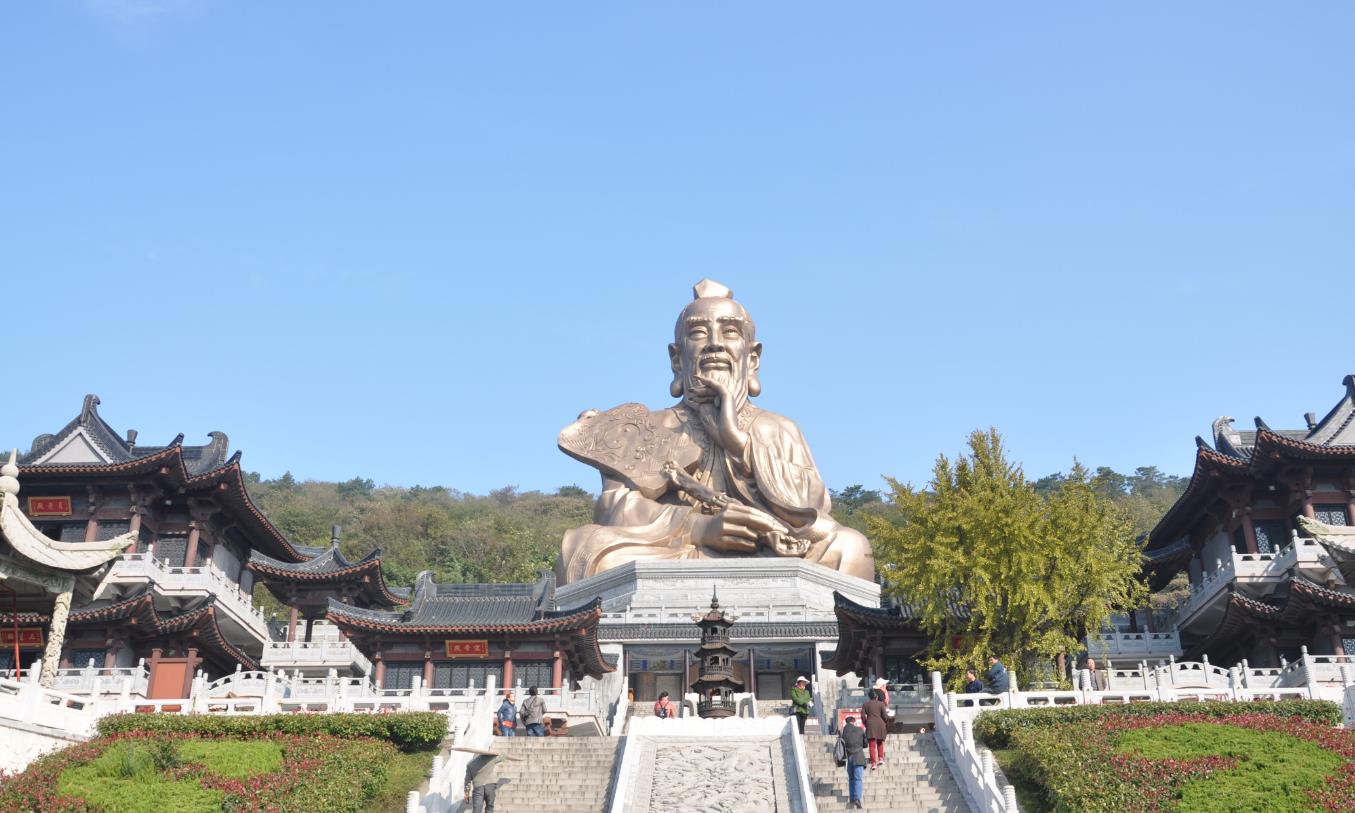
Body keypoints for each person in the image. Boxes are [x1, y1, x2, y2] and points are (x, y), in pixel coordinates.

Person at [556, 280, 875, 585]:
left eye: (730, 332)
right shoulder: (647, 427)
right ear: (677, 358)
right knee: (583, 548)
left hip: (766, 554)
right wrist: (699, 528)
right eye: (698, 333)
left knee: (849, 548)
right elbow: (614, 507)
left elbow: (813, 509)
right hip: (679, 554)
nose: (715, 344)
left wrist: (738, 442)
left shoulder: (778, 428)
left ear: (752, 359)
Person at [838, 715, 868, 809]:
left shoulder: (842, 731)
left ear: (846, 722)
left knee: (851, 778)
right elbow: (865, 744)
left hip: (848, 757)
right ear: (854, 722)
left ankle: (852, 798)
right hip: (858, 756)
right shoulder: (860, 730)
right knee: (858, 778)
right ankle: (857, 799)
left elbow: (841, 744)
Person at [861, 688, 889, 770]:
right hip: (880, 724)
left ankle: (874, 763)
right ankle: (881, 758)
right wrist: (885, 722)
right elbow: (885, 716)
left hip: (870, 725)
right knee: (880, 742)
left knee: (872, 745)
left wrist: (866, 723)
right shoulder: (881, 704)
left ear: (869, 697)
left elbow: (862, 716)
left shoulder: (865, 704)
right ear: (876, 697)